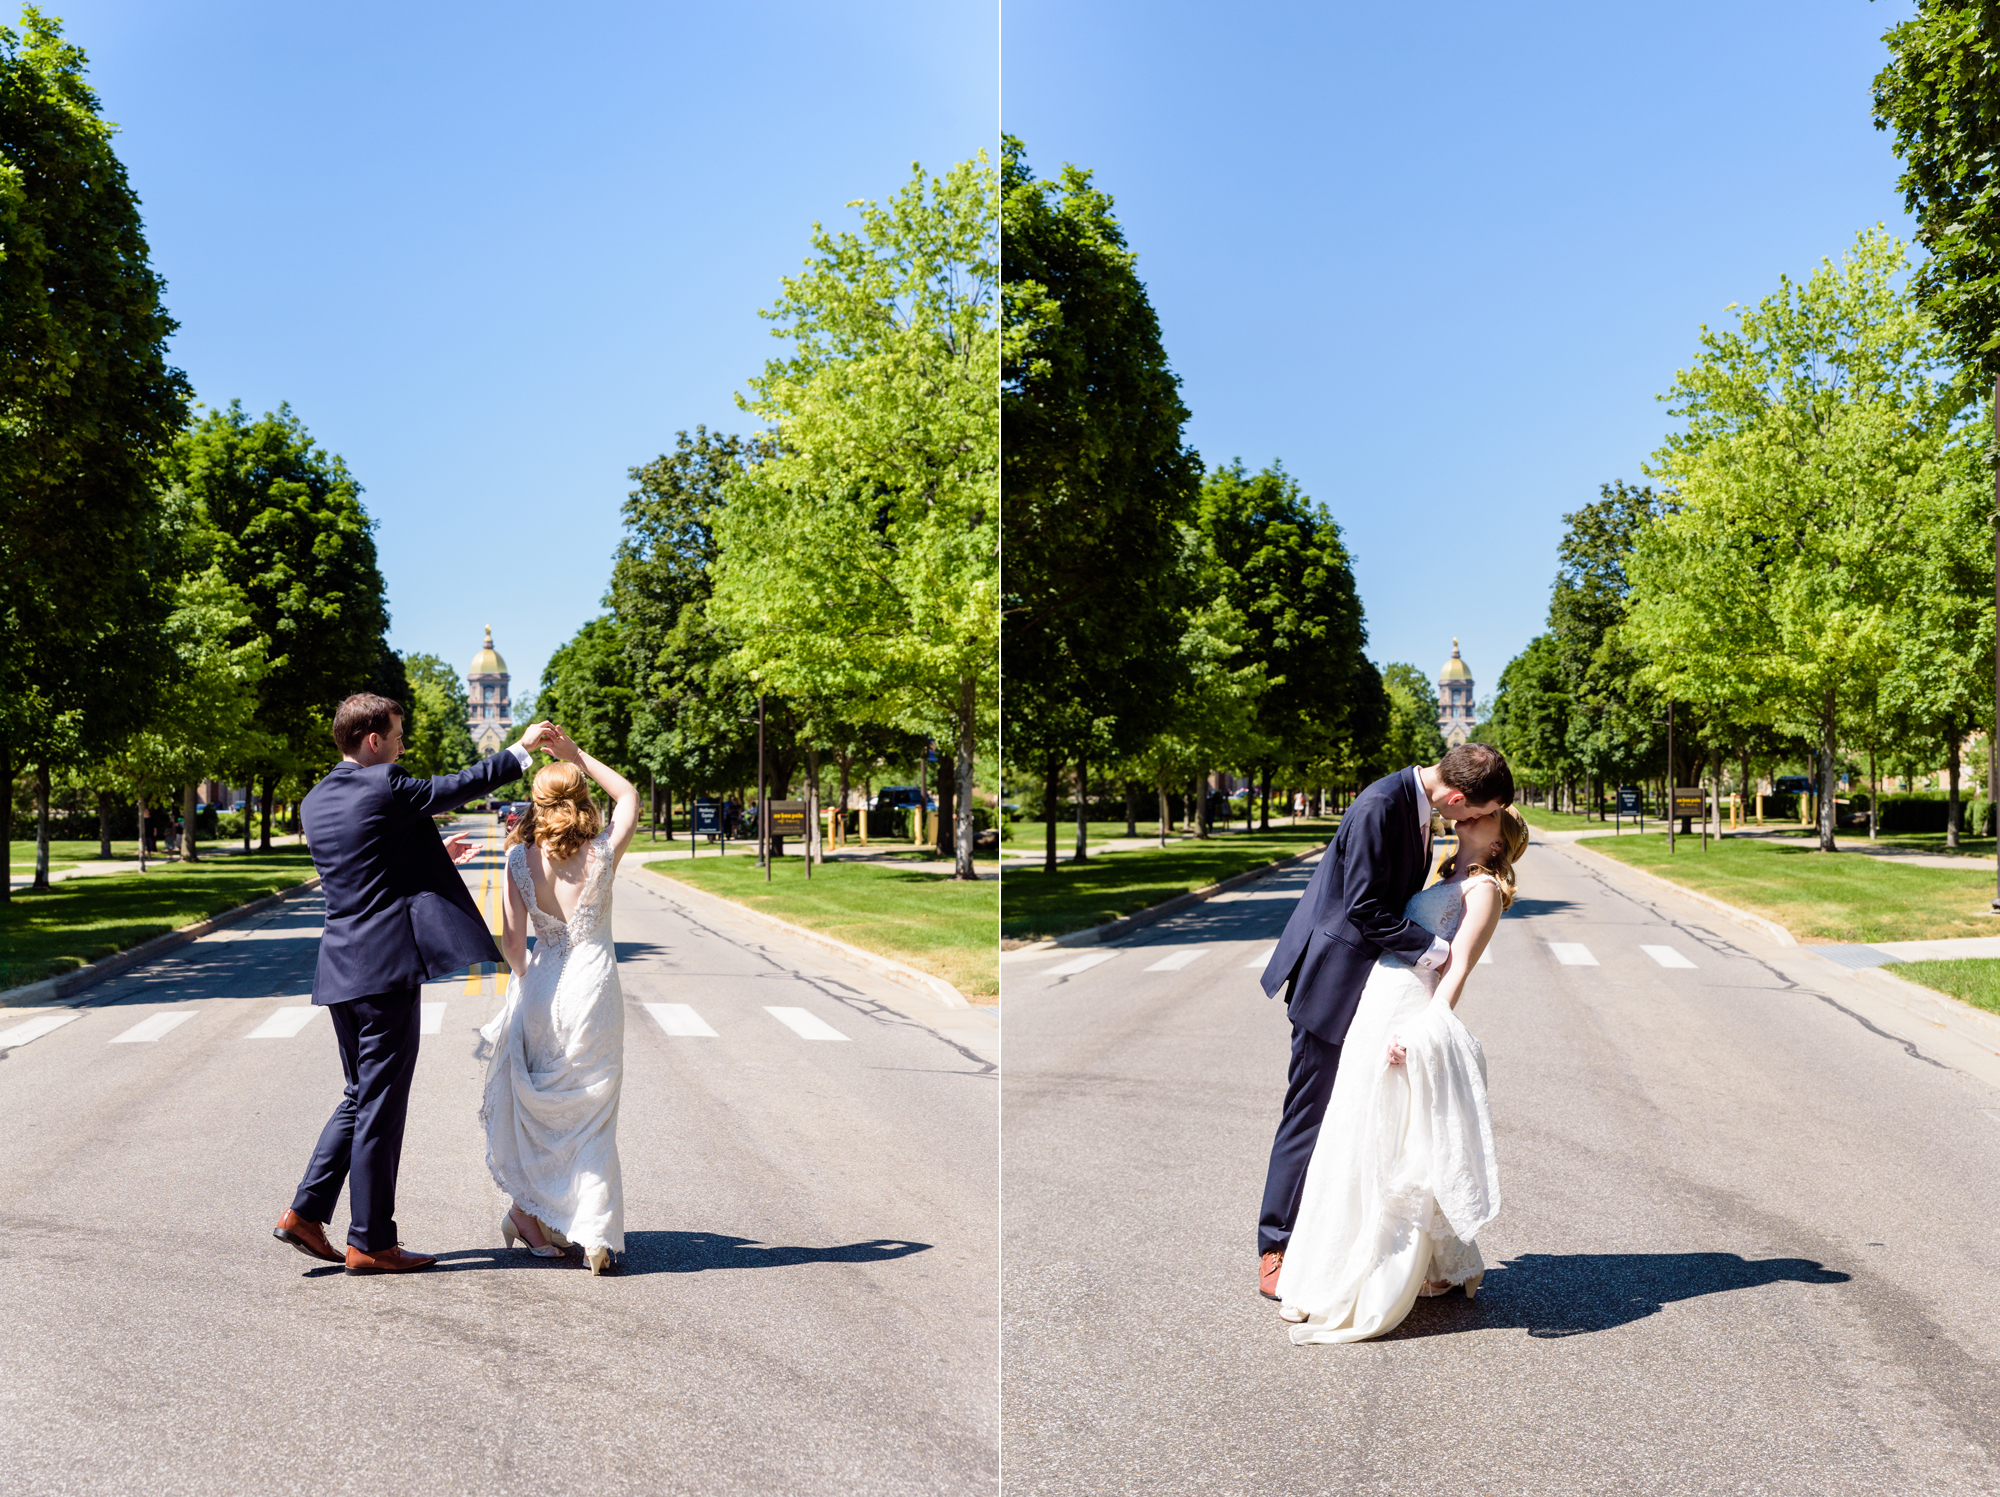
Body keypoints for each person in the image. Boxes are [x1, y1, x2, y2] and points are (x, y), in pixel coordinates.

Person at [273, 694, 550, 1274]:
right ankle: (370, 1241)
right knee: (381, 1106)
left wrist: (429, 849)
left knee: (358, 1096)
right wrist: (520, 751)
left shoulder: (315, 799)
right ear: (373, 740)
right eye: (397, 735)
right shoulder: (386, 783)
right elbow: (452, 788)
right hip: (383, 971)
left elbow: (362, 864)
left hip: (339, 970)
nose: (403, 745)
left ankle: (305, 1212)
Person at [1255, 742, 1515, 1301]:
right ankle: (1275, 1245)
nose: (1469, 822)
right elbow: (1364, 907)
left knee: (1363, 1119)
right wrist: (1437, 953)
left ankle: (1344, 1240)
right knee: (1311, 1114)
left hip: (1376, 991)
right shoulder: (1381, 805)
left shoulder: (1420, 810)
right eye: (1473, 811)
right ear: (1456, 795)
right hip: (1335, 980)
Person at [481, 723, 641, 1276]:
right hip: (593, 986)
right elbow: (628, 794)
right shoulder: (602, 853)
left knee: (546, 1111)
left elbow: (510, 942)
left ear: (537, 803)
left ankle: (530, 1213)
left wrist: (525, 985)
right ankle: (592, 1234)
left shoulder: (518, 860)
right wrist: (577, 755)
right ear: (579, 799)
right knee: (591, 1112)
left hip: (544, 985)